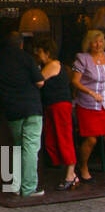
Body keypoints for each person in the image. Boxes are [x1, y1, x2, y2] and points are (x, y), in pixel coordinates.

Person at [0, 31, 44, 198]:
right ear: (21, 44)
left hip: (12, 109)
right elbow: (40, 81)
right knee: (31, 148)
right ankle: (29, 188)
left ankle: (16, 186)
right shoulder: (26, 58)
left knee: (18, 147)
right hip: (31, 108)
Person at [33, 38, 77, 189]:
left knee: (63, 137)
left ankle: (70, 174)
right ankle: (69, 173)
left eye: (39, 51)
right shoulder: (49, 65)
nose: (37, 55)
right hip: (53, 105)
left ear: (47, 52)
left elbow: (38, 80)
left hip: (59, 105)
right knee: (54, 137)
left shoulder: (53, 65)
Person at [71, 28, 105, 183]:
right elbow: (75, 81)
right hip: (87, 103)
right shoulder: (81, 58)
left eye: (100, 41)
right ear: (89, 44)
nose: (98, 45)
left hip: (103, 102)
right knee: (91, 139)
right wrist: (91, 93)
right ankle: (82, 166)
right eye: (95, 42)